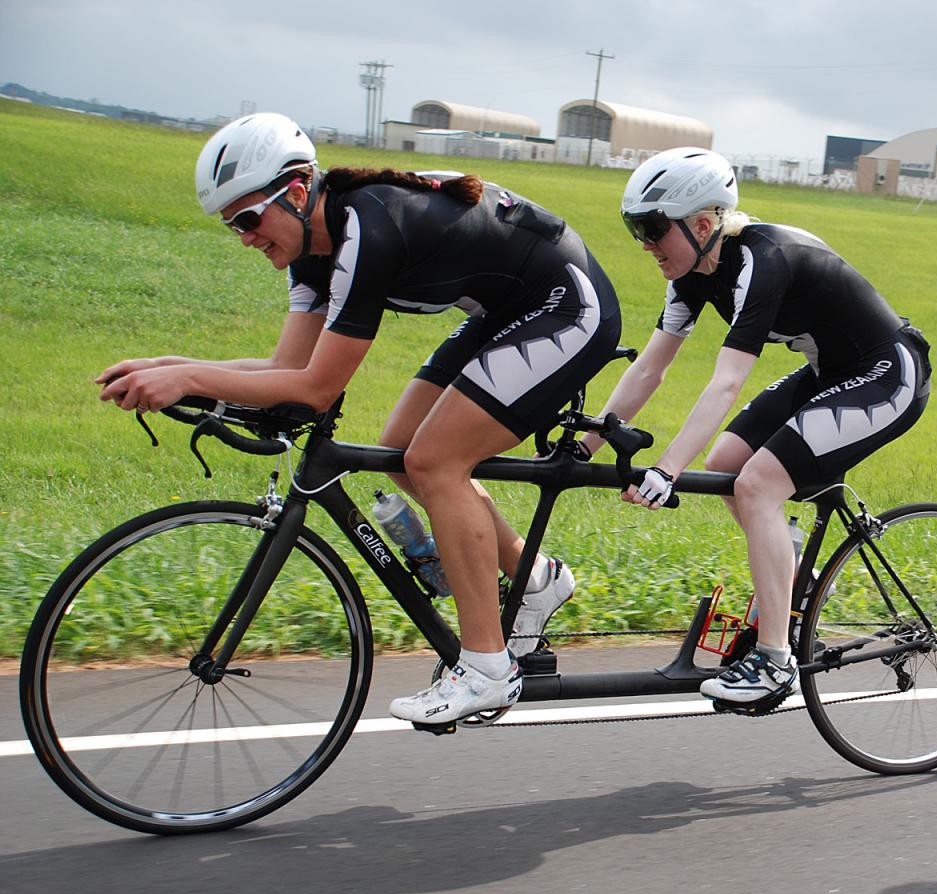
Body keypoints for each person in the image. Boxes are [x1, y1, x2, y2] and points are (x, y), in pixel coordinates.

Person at [97, 113, 620, 724]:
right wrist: (171, 366)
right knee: (402, 448)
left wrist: (187, 378)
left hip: (567, 306)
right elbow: (285, 368)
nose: (243, 237)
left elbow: (317, 389)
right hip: (504, 309)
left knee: (436, 461)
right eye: (231, 224)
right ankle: (535, 580)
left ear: (295, 192)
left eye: (247, 218)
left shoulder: (368, 227)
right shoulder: (311, 251)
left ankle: (485, 668)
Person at [585, 147, 931, 711]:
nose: (645, 245)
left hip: (887, 373)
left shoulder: (760, 262)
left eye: (652, 229)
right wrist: (590, 439)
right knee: (724, 467)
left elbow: (726, 384)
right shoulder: (693, 273)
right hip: (829, 370)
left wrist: (669, 469)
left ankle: (774, 661)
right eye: (635, 230)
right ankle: (793, 580)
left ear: (702, 224)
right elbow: (652, 366)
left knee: (757, 485)